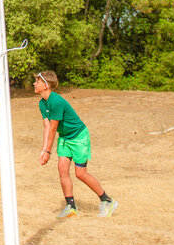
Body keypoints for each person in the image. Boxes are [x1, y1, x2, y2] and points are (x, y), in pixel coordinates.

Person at [34, 70, 117, 218]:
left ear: (46, 85)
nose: (34, 84)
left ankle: (107, 201)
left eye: (37, 82)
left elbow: (53, 128)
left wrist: (48, 151)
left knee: (80, 173)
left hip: (79, 137)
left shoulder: (56, 101)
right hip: (65, 138)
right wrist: (43, 150)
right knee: (62, 169)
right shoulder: (42, 103)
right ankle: (71, 206)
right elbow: (47, 127)